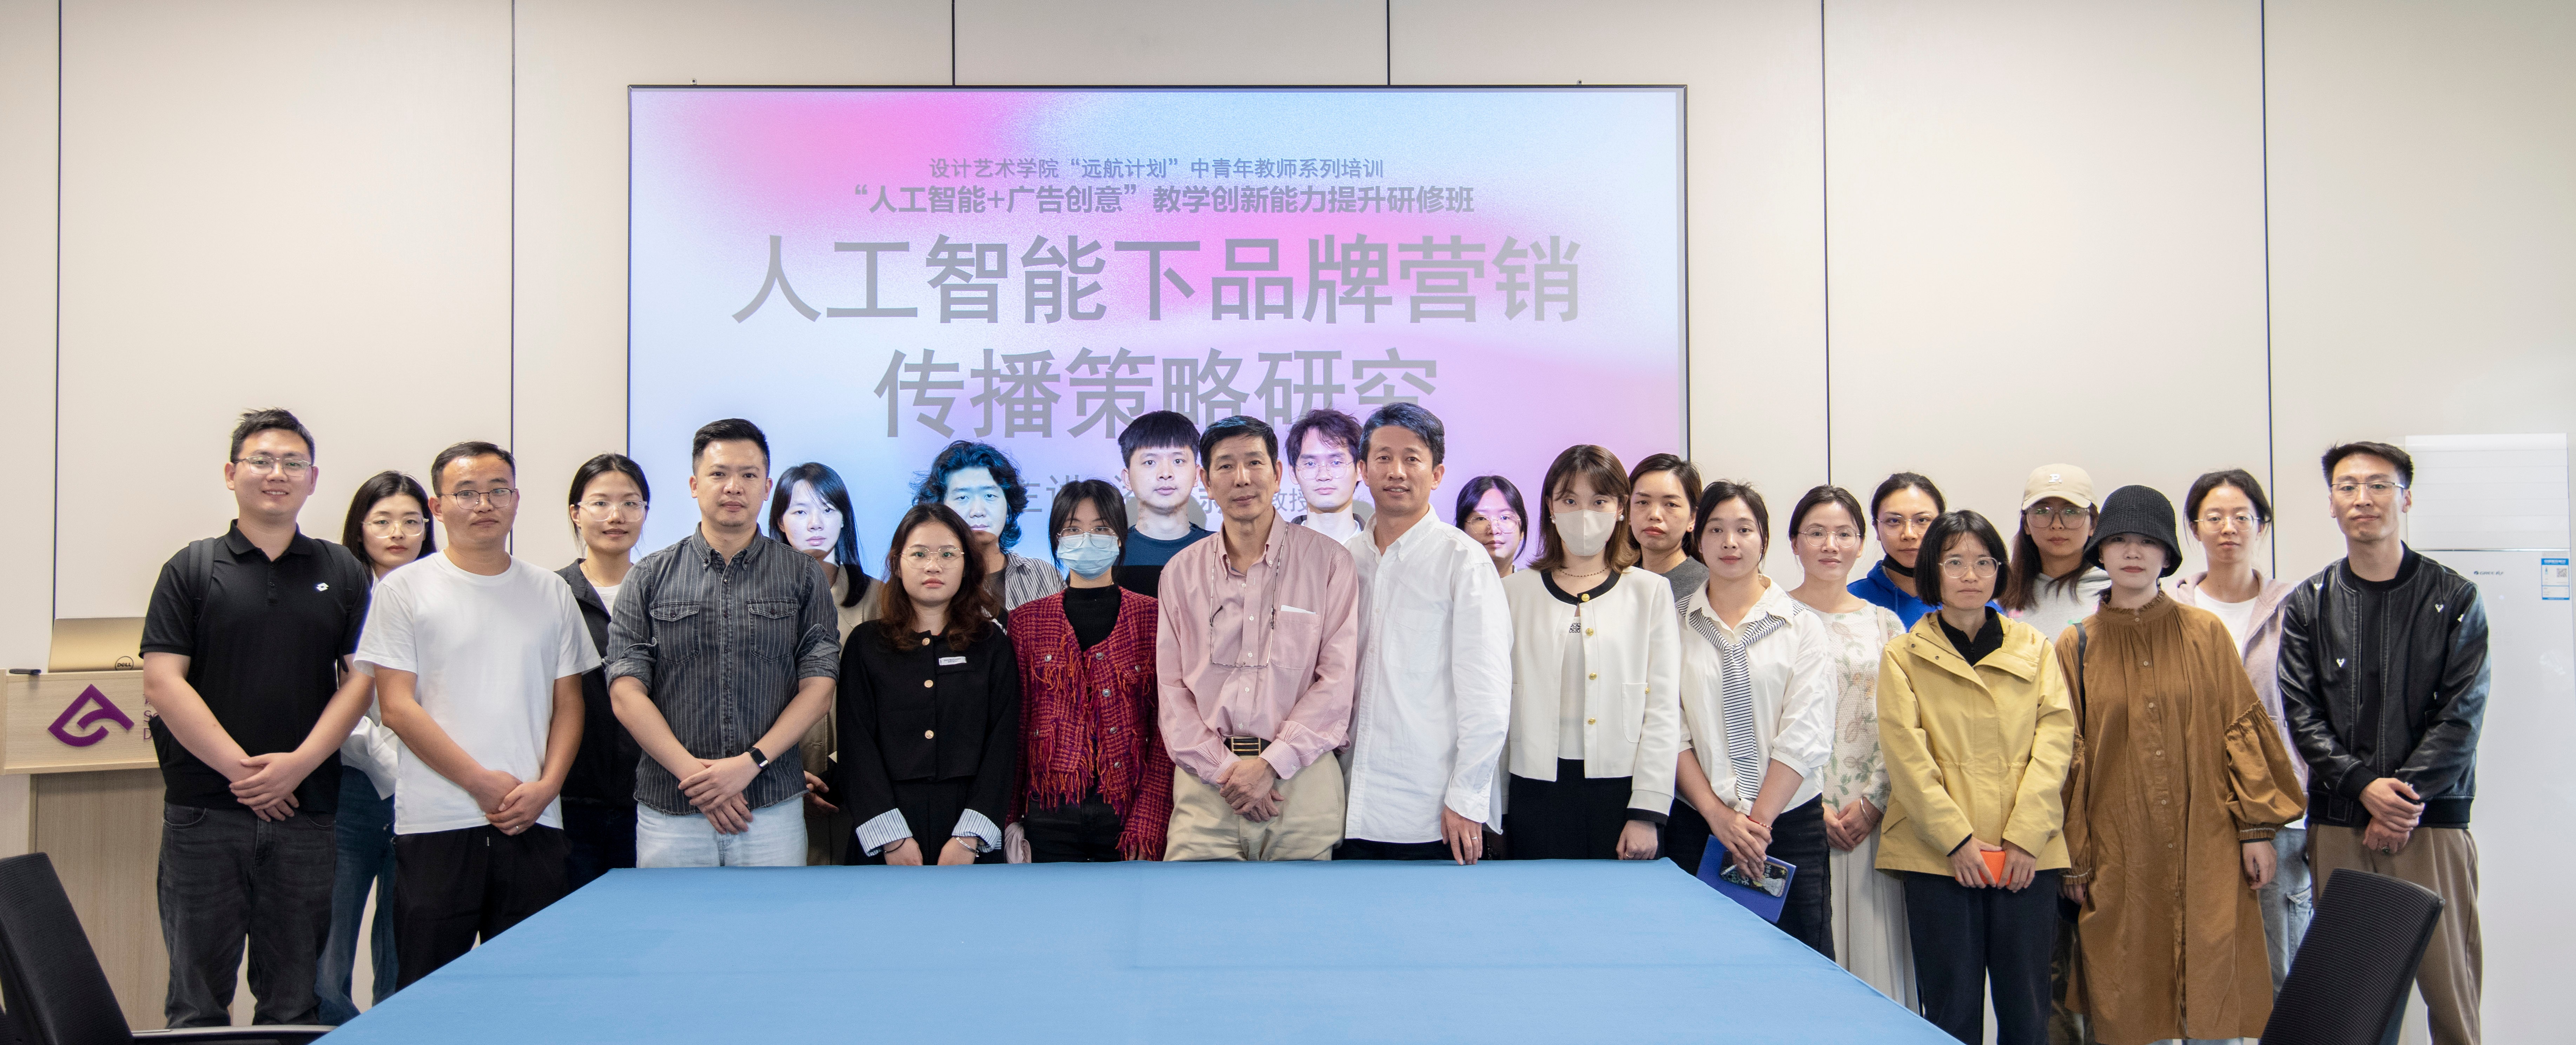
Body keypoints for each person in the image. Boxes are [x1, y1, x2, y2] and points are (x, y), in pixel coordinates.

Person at [141, 408, 374, 1027]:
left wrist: (296, 767)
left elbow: (361, 679)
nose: (278, 473)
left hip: (307, 811)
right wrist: (244, 772)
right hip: (205, 810)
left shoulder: (341, 570)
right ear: (231, 473)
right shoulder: (192, 567)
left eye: (293, 463)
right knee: (196, 1002)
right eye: (262, 460)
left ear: (313, 478)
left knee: (294, 1002)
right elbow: (163, 681)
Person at [2053, 485, 2306, 1045]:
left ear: (2168, 553)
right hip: (2121, 853)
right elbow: (2069, 760)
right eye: (2119, 540)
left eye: (2147, 541)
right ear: (2100, 551)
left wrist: (2256, 831)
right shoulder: (2076, 646)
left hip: (2209, 846)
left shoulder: (2204, 633)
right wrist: (2076, 858)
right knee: (2126, 1006)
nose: (2133, 552)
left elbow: (2240, 729)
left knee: (2213, 1005)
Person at [359, 441, 594, 987]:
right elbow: (397, 707)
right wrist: (479, 781)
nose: (484, 504)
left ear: (516, 500)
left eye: (497, 491)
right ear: (438, 507)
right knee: (428, 990)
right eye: (466, 493)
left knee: (529, 989)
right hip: (437, 821)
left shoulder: (551, 591)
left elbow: (569, 703)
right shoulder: (404, 589)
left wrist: (547, 787)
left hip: (534, 818)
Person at [2280, 441, 2489, 1045]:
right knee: (2347, 1004)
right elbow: (2302, 714)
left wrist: (2399, 801)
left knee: (2450, 993)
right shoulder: (2309, 603)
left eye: (2378, 485)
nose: (2362, 498)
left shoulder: (2455, 597)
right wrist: (2363, 788)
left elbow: (2460, 715)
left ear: (2405, 498)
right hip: (2339, 821)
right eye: (2347, 486)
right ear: (2331, 502)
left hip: (2430, 822)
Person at [1875, 510, 2075, 1045]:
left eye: (1984, 562)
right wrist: (1956, 841)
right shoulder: (1902, 655)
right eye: (1954, 562)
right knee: (1950, 1011)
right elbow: (1906, 756)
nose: (1970, 575)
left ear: (2000, 571)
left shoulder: (2034, 647)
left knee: (2027, 1012)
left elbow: (2055, 743)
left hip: (2024, 856)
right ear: (1932, 571)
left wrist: (2025, 837)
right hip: (1938, 857)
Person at [608, 419, 840, 867]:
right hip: (672, 807)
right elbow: (625, 691)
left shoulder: (802, 575)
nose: (733, 486)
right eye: (719, 474)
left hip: (769, 806)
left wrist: (749, 764)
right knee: (671, 917)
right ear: (695, 485)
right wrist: (699, 778)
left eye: (749, 474)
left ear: (767, 487)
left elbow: (819, 688)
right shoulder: (649, 575)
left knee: (772, 916)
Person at [1156, 415, 1359, 861]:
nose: (1242, 478)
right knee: (1191, 907)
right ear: (1206, 481)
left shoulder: (1329, 563)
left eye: (1254, 462)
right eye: (1226, 466)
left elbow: (1337, 682)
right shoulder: (1180, 573)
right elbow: (1171, 692)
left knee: (1305, 909)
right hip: (1208, 790)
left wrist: (1271, 765)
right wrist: (1229, 771)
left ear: (1278, 473)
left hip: (1300, 785)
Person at [1667, 481, 1837, 955]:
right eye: (1716, 529)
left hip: (1788, 825)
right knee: (1702, 963)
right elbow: (1669, 728)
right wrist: (1719, 816)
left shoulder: (1802, 625)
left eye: (1744, 529)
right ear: (1697, 538)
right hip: (1699, 824)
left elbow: (1806, 732)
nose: (1730, 542)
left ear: (1764, 538)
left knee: (1798, 967)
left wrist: (1754, 827)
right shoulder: (1673, 624)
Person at [1340, 404, 1512, 863]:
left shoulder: (1464, 561)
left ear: (1436, 474)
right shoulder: (1345, 560)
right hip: (1345, 803)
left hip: (1431, 812)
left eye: (1411, 459)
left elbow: (1488, 695)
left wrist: (1466, 797)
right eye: (1383, 457)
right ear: (1362, 470)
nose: (1396, 471)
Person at [1498, 445, 1682, 861]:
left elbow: (1662, 710)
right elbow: (1498, 707)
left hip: (1620, 792)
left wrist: (1647, 811)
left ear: (1620, 508)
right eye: (1569, 500)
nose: (1584, 513)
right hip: (1535, 789)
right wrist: (1499, 808)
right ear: (1550, 507)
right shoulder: (1514, 593)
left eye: (1599, 501)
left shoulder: (1649, 592)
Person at [2171, 468, 2311, 988]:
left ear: (2262, 526)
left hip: (2278, 813)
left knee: (2281, 969)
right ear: (2194, 528)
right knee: (2202, 973)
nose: (2228, 528)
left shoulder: (2298, 607)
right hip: (2193, 812)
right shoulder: (2169, 609)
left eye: (2242, 517)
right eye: (2214, 517)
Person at [1782, 485, 1914, 1006]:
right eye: (1816, 532)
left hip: (1869, 820)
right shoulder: (1774, 618)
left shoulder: (1884, 623)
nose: (1830, 545)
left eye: (1843, 533)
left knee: (1876, 962)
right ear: (1794, 542)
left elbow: (1904, 723)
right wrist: (1811, 804)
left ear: (1861, 543)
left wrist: (1874, 801)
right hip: (1796, 813)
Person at [1000, 480, 1172, 862]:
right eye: (1073, 529)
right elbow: (1017, 726)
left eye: (1101, 528)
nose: (1087, 539)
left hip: (1127, 809)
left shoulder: (1153, 617)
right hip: (1048, 811)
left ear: (1120, 537)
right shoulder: (1026, 621)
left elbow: (1166, 726)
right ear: (1057, 539)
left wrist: (1151, 816)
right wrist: (1009, 818)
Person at [838, 504, 1019, 865]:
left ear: (967, 564)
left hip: (970, 834)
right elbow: (856, 745)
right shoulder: (866, 644)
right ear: (897, 563)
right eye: (919, 554)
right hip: (886, 830)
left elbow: (1003, 746)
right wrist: (891, 839)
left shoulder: (991, 644)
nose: (933, 566)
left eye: (948, 554)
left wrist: (969, 838)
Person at [315, 470, 432, 1021]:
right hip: (353, 787)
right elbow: (336, 699)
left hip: (431, 786)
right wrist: (393, 766)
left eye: (412, 520)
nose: (398, 533)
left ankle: (395, 1031)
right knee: (328, 946)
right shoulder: (338, 595)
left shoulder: (442, 590)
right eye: (383, 520)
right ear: (359, 527)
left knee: (406, 943)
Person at [768, 461, 879, 865]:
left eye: (829, 509)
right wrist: (783, 777)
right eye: (800, 511)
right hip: (774, 788)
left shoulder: (882, 599)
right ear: (779, 521)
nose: (816, 522)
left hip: (861, 789)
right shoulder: (756, 602)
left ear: (844, 518)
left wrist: (842, 775)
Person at [556, 454, 649, 888]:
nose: (617, 516)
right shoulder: (552, 593)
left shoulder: (665, 594)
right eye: (600, 503)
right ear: (576, 513)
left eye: (630, 503)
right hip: (568, 801)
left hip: (653, 801)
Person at [918, 440, 1064, 611]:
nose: (978, 511)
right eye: (963, 498)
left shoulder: (1043, 575)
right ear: (940, 506)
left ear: (1009, 505)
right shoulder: (930, 580)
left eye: (989, 496)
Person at [2001, 464, 2109, 637]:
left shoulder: (2118, 590)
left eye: (2071, 512)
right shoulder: (2002, 590)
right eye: (2042, 511)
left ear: (2093, 524)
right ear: (2026, 524)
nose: (2057, 525)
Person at [1114, 410, 1213, 599]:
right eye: (1150, 462)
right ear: (1127, 478)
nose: (1166, 473)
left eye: (1178, 461)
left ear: (1196, 475)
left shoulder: (1222, 551)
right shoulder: (1108, 555)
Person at [1849, 472, 1948, 627]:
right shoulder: (1850, 601)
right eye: (1894, 521)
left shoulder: (1970, 598)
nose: (1909, 534)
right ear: (1877, 529)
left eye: (1922, 520)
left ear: (1943, 526)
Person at [1626, 453, 1706, 607]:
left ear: (1692, 518)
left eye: (1671, 504)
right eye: (1643, 502)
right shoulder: (1615, 582)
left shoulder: (1707, 588)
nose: (1655, 515)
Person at [1285, 407, 1372, 544]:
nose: (1324, 475)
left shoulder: (1384, 551)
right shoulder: (1272, 552)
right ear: (1293, 473)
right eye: (1311, 464)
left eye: (1336, 463)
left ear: (1361, 470)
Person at [1455, 474, 1528, 579]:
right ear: (1462, 530)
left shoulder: (1536, 586)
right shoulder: (1444, 586)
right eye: (1481, 519)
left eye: (1505, 518)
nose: (1494, 530)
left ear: (1522, 531)